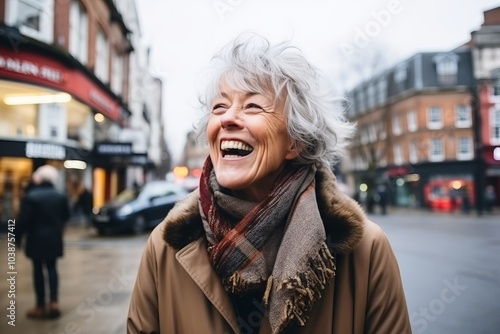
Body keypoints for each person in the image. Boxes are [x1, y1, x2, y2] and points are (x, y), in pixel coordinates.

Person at [127, 34, 411, 334]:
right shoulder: (167, 244)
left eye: (252, 106)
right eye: (219, 107)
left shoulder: (364, 249)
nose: (227, 119)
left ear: (296, 141)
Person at [16, 165, 71, 319]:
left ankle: (40, 305)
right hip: (54, 238)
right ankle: (54, 302)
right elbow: (67, 216)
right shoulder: (61, 195)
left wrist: (18, 238)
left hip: (36, 239)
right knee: (52, 269)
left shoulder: (31, 196)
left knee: (38, 271)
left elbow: (23, 220)